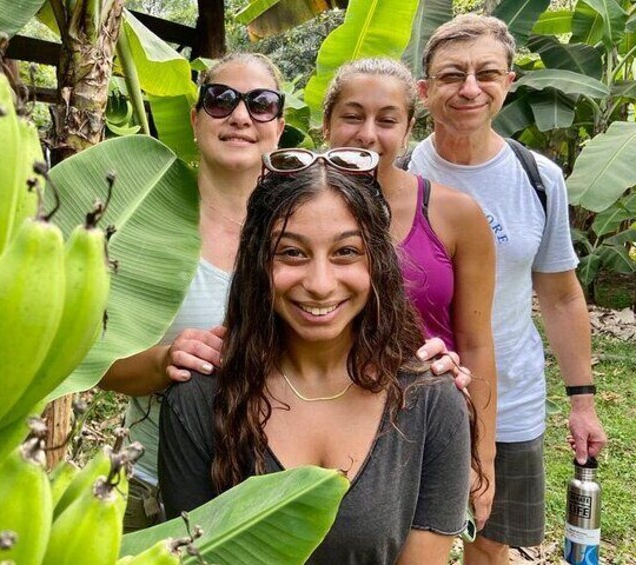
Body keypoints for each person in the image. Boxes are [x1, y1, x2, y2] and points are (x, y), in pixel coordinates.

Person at [99, 53, 467, 532]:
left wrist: (429, 376)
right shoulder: (141, 223)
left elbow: (370, 315)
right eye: (220, 100)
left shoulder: (318, 211)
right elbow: (87, 362)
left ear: (280, 124)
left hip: (324, 463)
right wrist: (163, 361)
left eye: (261, 103)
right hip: (168, 470)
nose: (239, 116)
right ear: (194, 119)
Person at [159, 155, 479, 564]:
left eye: (346, 251)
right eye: (292, 253)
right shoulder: (200, 399)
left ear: (377, 262)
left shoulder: (431, 401)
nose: (320, 284)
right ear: (258, 263)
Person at [408, 14, 607, 563]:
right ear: (424, 91)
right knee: (400, 545)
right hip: (406, 397)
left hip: (510, 400)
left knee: (490, 548)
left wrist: (582, 404)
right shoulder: (397, 176)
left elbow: (562, 295)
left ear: (508, 83)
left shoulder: (539, 178)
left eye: (486, 73)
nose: (470, 88)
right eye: (452, 75)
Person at [321, 58, 497, 529]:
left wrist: (482, 452)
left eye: (387, 119)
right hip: (321, 418)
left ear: (408, 128)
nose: (367, 135)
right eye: (353, 116)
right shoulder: (294, 209)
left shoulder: (455, 213)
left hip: (428, 424)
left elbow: (476, 342)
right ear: (327, 123)